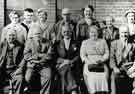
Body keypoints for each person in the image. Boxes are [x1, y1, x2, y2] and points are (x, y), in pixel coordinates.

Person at [23, 23, 55, 94]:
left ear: (42, 34)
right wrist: (41, 56)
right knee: (27, 78)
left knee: (48, 76)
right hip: (32, 66)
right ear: (33, 34)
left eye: (39, 34)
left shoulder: (48, 42)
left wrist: (35, 57)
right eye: (36, 34)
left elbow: (49, 56)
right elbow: (26, 55)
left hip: (44, 65)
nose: (38, 35)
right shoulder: (29, 42)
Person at [80, 26, 109, 94]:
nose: (93, 34)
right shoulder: (85, 42)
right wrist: (88, 62)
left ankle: (103, 91)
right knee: (91, 76)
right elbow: (82, 55)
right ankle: (92, 91)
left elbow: (107, 53)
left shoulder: (103, 41)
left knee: (105, 74)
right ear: (89, 33)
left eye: (95, 32)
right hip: (89, 63)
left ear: (98, 33)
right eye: (91, 32)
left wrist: (102, 60)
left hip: (101, 63)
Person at [55, 22, 80, 94]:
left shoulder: (76, 43)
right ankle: (73, 90)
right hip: (60, 65)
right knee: (66, 68)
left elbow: (78, 56)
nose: (66, 33)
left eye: (68, 31)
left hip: (73, 65)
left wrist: (71, 61)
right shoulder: (57, 43)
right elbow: (55, 57)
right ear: (62, 33)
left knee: (67, 69)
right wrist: (64, 61)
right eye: (64, 32)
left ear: (71, 32)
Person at [110, 26, 134, 94]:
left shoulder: (132, 44)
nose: (124, 34)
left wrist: (133, 68)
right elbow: (112, 58)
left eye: (126, 32)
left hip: (130, 69)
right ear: (119, 33)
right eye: (122, 32)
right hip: (119, 68)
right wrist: (114, 68)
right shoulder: (114, 43)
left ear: (128, 33)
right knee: (114, 78)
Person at [0, 28, 24, 94]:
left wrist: (20, 68)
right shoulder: (2, 45)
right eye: (9, 35)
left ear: (16, 36)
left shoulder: (20, 45)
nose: (11, 37)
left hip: (14, 69)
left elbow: (23, 59)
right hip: (3, 69)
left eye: (13, 35)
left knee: (20, 78)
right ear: (6, 36)